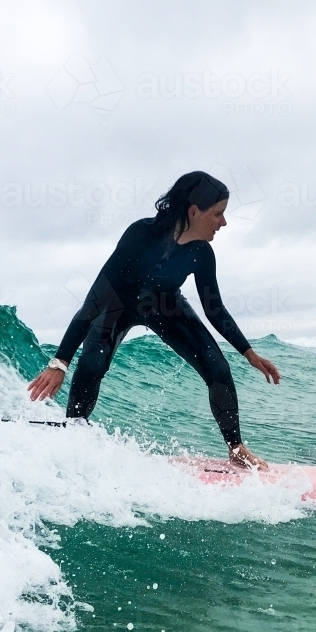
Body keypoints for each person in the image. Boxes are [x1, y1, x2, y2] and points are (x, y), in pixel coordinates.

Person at [27, 171, 281, 469]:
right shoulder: (140, 236)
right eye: (218, 214)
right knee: (92, 364)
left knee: (217, 366)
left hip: (166, 306)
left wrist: (248, 353)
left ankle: (236, 449)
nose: (223, 223)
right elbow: (93, 302)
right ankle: (74, 432)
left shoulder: (201, 253)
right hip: (117, 305)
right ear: (193, 211)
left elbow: (214, 309)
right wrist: (59, 363)